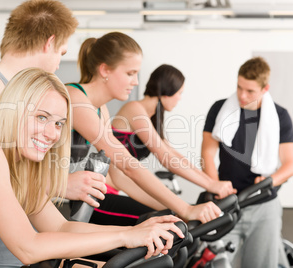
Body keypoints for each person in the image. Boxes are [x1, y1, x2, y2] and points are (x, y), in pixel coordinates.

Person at [0, 68, 184, 266]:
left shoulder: (20, 167)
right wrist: (127, 238)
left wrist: (135, 233)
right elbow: (28, 247)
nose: (52, 132)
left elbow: (59, 227)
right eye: (41, 117)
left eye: (59, 123)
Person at [0, 1, 107, 267]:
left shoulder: (28, 95)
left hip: (20, 252)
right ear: (50, 42)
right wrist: (60, 184)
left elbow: (55, 224)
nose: (57, 65)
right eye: (61, 53)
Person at [67, 32, 221, 227]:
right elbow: (130, 166)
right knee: (164, 225)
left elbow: (127, 173)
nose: (136, 82)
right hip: (61, 197)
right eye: (130, 73)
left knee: (168, 223)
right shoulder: (76, 99)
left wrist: (177, 207)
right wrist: (187, 207)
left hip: (73, 195)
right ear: (105, 70)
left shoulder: (101, 110)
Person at [201, 56, 293, 268]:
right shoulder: (219, 109)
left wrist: (270, 180)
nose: (242, 95)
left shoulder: (280, 116)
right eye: (239, 87)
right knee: (216, 263)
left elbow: (289, 164)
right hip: (227, 202)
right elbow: (207, 153)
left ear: (265, 88)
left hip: (263, 204)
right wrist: (214, 186)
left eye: (250, 91)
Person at [111, 64, 236, 199]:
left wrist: (213, 183)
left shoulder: (151, 118)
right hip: (107, 189)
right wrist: (210, 185)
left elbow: (173, 154)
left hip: (120, 188)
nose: (180, 98)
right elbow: (166, 158)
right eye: (179, 93)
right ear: (167, 91)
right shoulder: (134, 109)